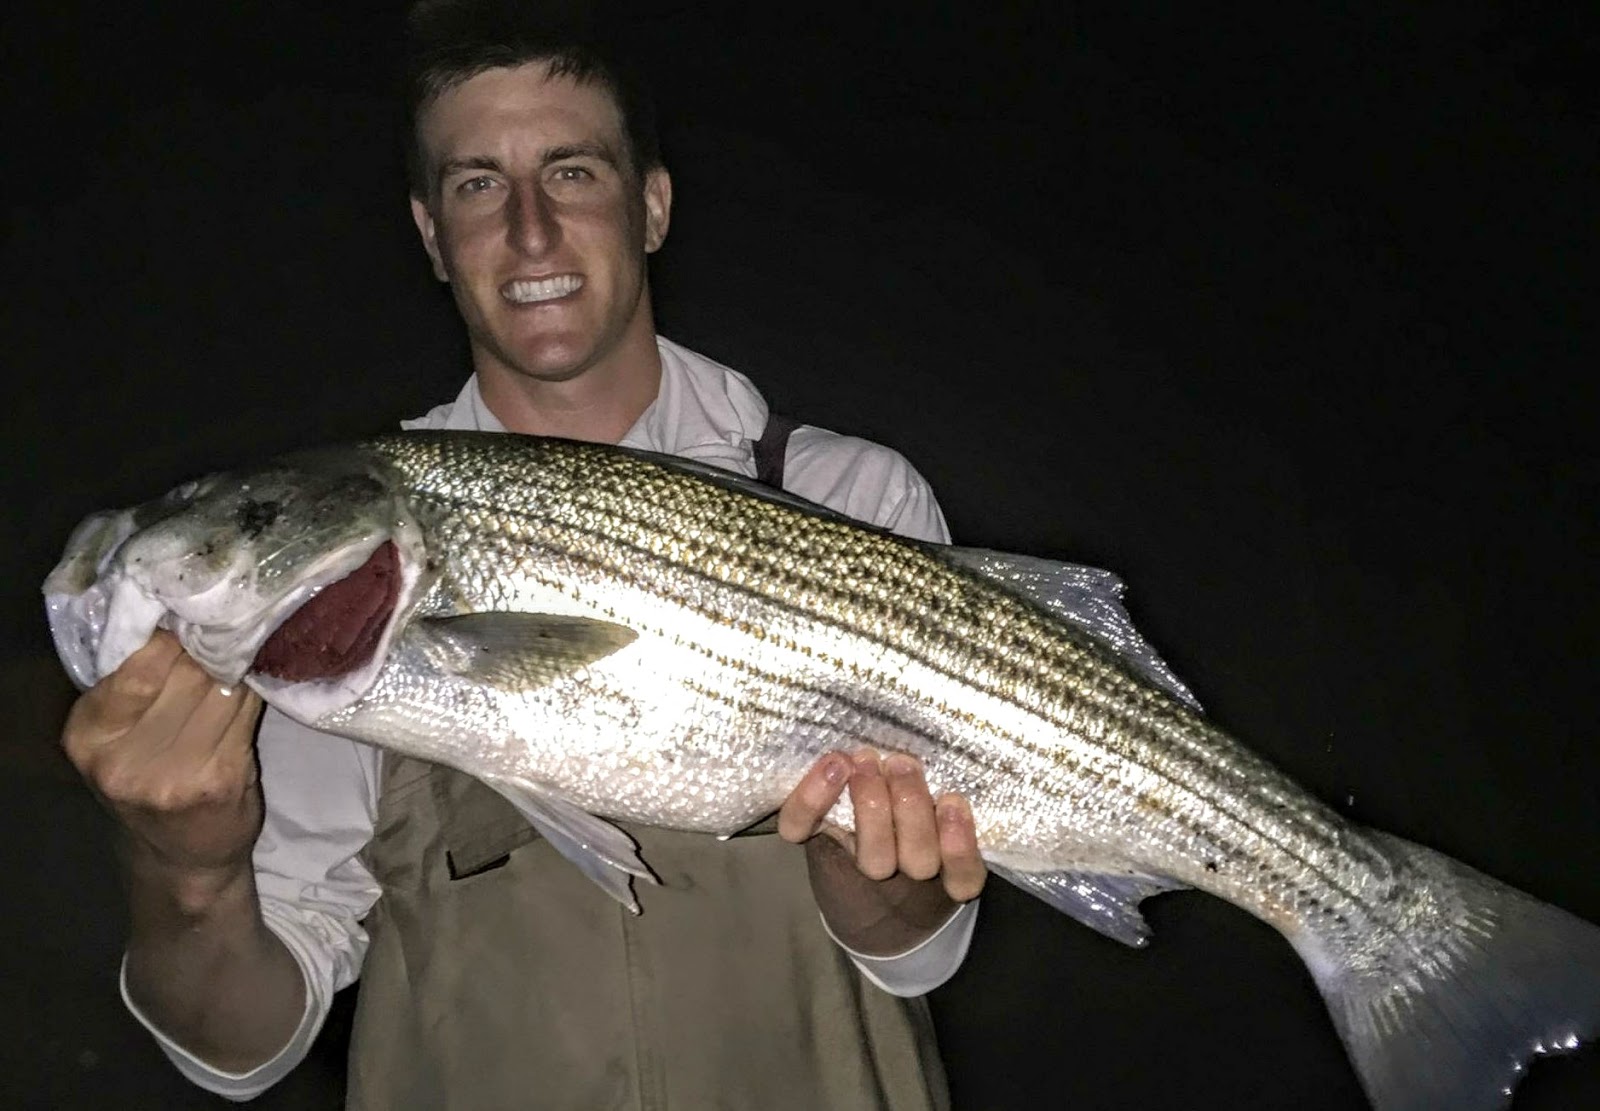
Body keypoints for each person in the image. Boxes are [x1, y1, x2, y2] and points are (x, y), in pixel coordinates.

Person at [60, 4, 985, 1107]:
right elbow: (243, 1045)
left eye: (573, 172)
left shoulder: (848, 498)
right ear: (429, 234)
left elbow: (916, 953)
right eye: (477, 184)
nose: (532, 232)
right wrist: (185, 871)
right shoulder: (333, 597)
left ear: (652, 205)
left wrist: (868, 861)